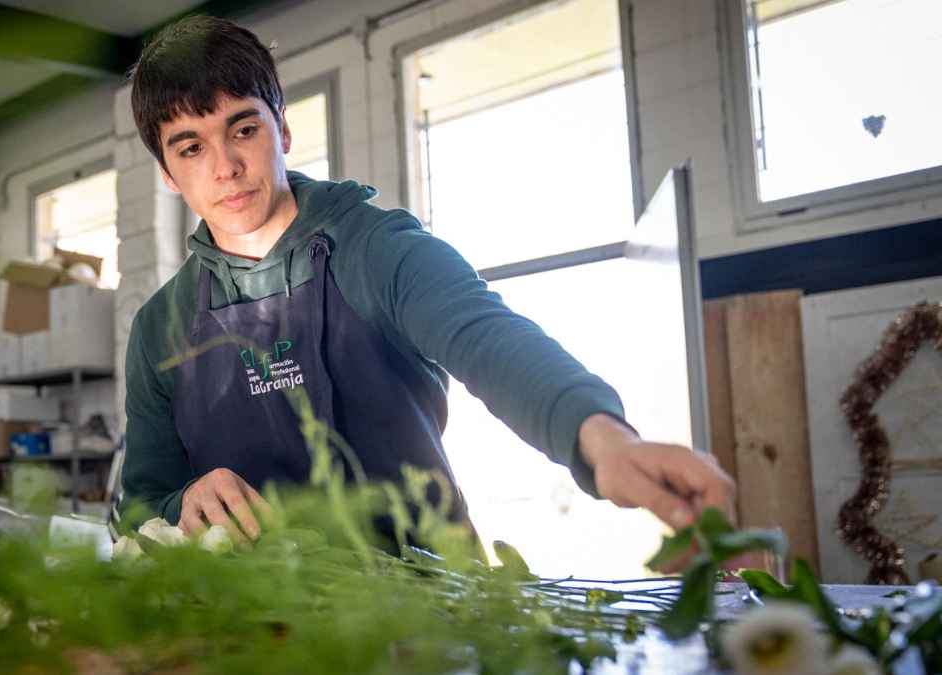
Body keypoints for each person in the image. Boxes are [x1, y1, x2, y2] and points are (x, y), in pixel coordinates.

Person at [119, 15, 734, 558]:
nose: (225, 166)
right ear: (169, 172)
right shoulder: (158, 329)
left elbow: (487, 337)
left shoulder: (375, 249)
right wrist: (179, 507)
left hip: (425, 609)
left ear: (282, 130)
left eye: (243, 129)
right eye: (192, 146)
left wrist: (603, 441)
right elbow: (139, 505)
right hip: (257, 624)